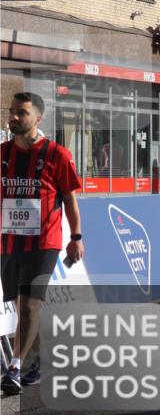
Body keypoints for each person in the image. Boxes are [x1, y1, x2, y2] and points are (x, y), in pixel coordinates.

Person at [1, 93, 83, 395]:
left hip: (44, 242)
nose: (14, 117)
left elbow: (71, 200)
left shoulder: (56, 154)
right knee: (20, 307)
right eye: (11, 112)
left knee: (31, 305)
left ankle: (14, 368)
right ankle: (35, 362)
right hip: (9, 243)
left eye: (21, 113)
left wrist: (76, 238)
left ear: (38, 118)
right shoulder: (2, 154)